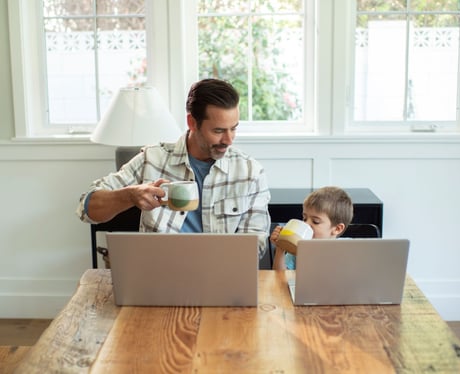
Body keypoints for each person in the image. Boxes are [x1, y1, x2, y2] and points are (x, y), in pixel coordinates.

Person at [76, 78, 271, 258]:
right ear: (192, 122)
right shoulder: (152, 159)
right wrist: (130, 195)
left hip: (222, 276)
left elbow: (256, 245)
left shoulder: (250, 172)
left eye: (233, 128)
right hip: (160, 276)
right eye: (218, 131)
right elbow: (86, 208)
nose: (228, 140)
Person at [270, 186, 353, 270]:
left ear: (337, 229)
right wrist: (280, 248)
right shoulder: (299, 247)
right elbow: (280, 278)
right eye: (305, 218)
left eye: (315, 221)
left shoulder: (350, 250)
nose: (306, 224)